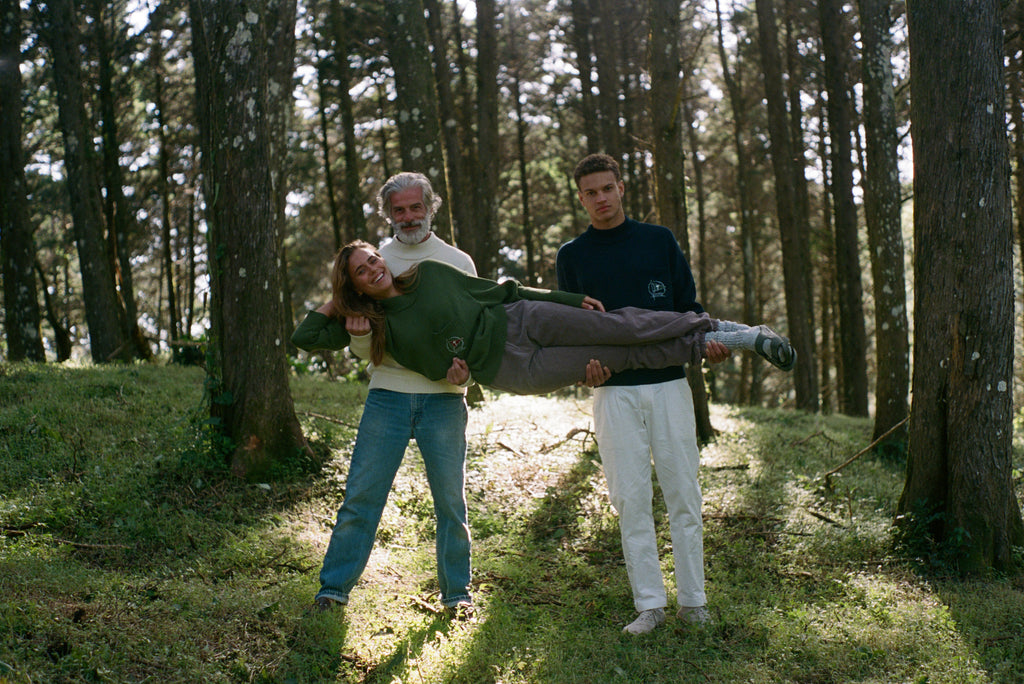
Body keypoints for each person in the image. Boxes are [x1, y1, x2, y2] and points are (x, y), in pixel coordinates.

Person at [556, 153, 773, 634]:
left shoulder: (658, 241)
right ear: (581, 198)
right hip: (613, 393)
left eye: (607, 188)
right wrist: (585, 371)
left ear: (621, 188)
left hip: (670, 386)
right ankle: (650, 605)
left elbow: (689, 311)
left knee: (683, 494)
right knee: (630, 499)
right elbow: (572, 330)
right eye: (590, 192)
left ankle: (693, 603)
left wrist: (712, 350)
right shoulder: (572, 255)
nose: (600, 199)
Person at [292, 241, 795, 398]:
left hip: (521, 319)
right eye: (361, 272)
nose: (373, 269)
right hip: (510, 370)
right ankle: (715, 340)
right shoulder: (379, 327)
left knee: (622, 328)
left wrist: (565, 297)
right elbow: (305, 336)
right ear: (355, 286)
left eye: (372, 260)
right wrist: (337, 304)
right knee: (617, 359)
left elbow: (501, 289)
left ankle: (733, 334)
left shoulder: (428, 274)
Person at [305, 172, 477, 617]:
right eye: (398, 210)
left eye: (416, 207)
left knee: (450, 503)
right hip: (387, 397)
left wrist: (467, 374)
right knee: (362, 496)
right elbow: (363, 342)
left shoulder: (457, 261)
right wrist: (358, 334)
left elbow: (475, 331)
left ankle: (457, 595)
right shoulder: (374, 262)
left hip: (445, 399)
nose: (408, 217)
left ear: (430, 208)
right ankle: (333, 589)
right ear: (388, 215)